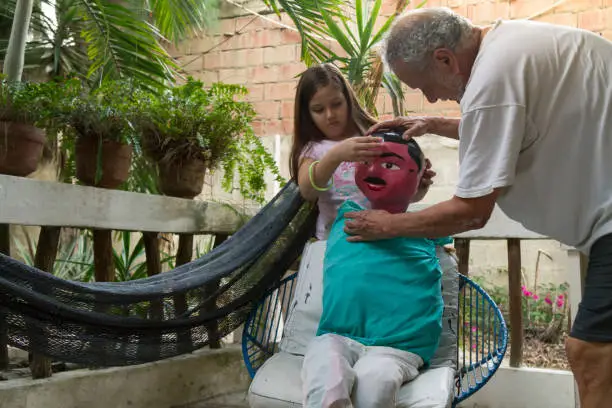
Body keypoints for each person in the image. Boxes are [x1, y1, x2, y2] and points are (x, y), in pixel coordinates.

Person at [341, 7, 612, 408]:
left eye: (424, 86)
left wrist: (387, 225)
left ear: (444, 59)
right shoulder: (510, 46)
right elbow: (508, 123)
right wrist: (435, 123)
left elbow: (471, 210)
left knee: (592, 355)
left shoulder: (493, 81)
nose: (432, 97)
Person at [302, 134, 451, 408]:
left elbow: (454, 220)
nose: (373, 170)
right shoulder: (347, 215)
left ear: (418, 175)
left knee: (374, 384)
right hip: (336, 335)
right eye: (367, 162)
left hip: (398, 346)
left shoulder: (424, 225)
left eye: (390, 165)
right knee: (326, 373)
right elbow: (308, 187)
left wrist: (413, 192)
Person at [289, 63, 435, 240]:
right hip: (337, 241)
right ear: (307, 113)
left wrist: (419, 186)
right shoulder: (314, 149)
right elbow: (308, 191)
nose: (330, 115)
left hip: (385, 236)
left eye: (336, 104)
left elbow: (403, 198)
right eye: (318, 109)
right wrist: (336, 155)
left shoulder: (376, 136)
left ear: (348, 100)